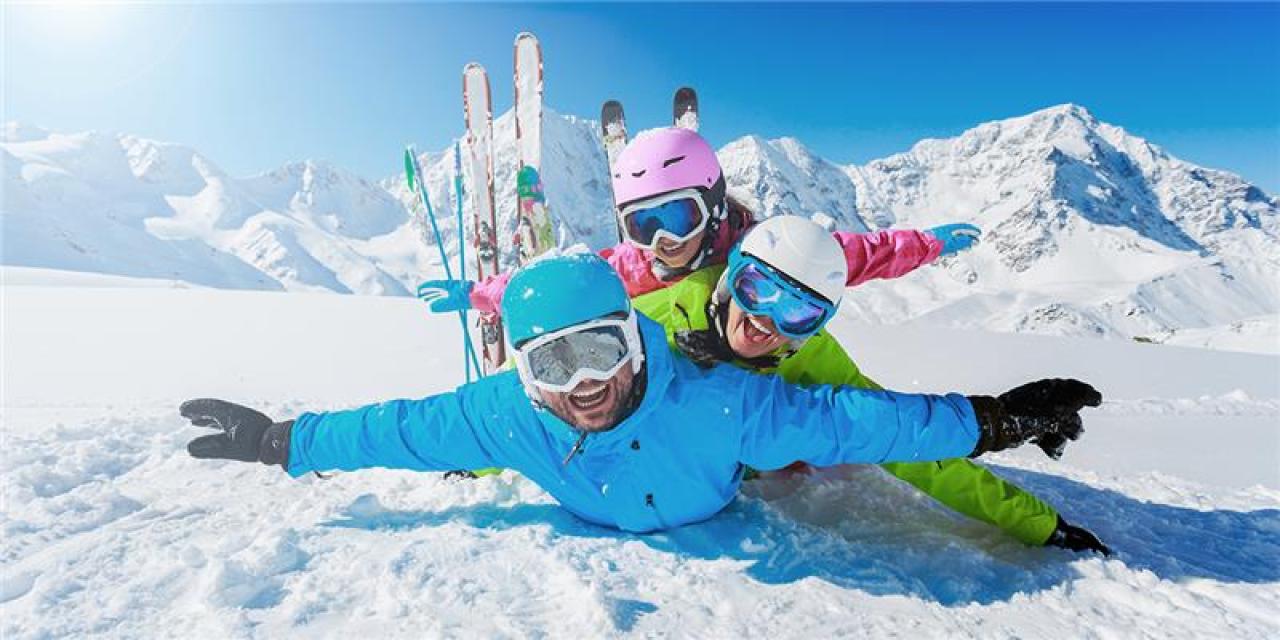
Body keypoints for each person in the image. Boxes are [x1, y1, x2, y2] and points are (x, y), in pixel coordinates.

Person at [184, 254, 1101, 534]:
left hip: (723, 483)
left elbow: (864, 422)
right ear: (523, 375)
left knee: (807, 450)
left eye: (603, 350)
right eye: (556, 365)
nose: (587, 382)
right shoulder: (504, 416)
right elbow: (399, 430)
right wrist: (280, 441)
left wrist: (997, 421)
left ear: (636, 338)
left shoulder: (718, 402)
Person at [630, 215, 1110, 554]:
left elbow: (899, 439)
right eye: (756, 289)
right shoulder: (653, 320)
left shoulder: (814, 359)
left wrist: (1038, 524)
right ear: (730, 277)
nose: (765, 320)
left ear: (815, 327)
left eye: (797, 314)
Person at [417, 127, 980, 316]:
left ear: (712, 206)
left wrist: (926, 244)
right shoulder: (633, 266)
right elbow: (557, 283)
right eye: (643, 225)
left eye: (678, 215)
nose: (664, 240)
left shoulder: (759, 249)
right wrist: (478, 294)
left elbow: (855, 254)